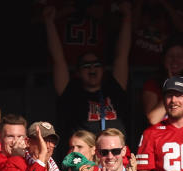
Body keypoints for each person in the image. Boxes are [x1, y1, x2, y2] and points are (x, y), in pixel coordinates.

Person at [45, 5, 131, 139]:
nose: (92, 68)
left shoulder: (114, 88)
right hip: (84, 157)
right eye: (86, 66)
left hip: (113, 153)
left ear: (103, 70)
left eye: (97, 65)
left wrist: (127, 17)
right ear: (78, 72)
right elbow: (58, 60)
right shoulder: (71, 92)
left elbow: (122, 55)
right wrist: (49, 22)